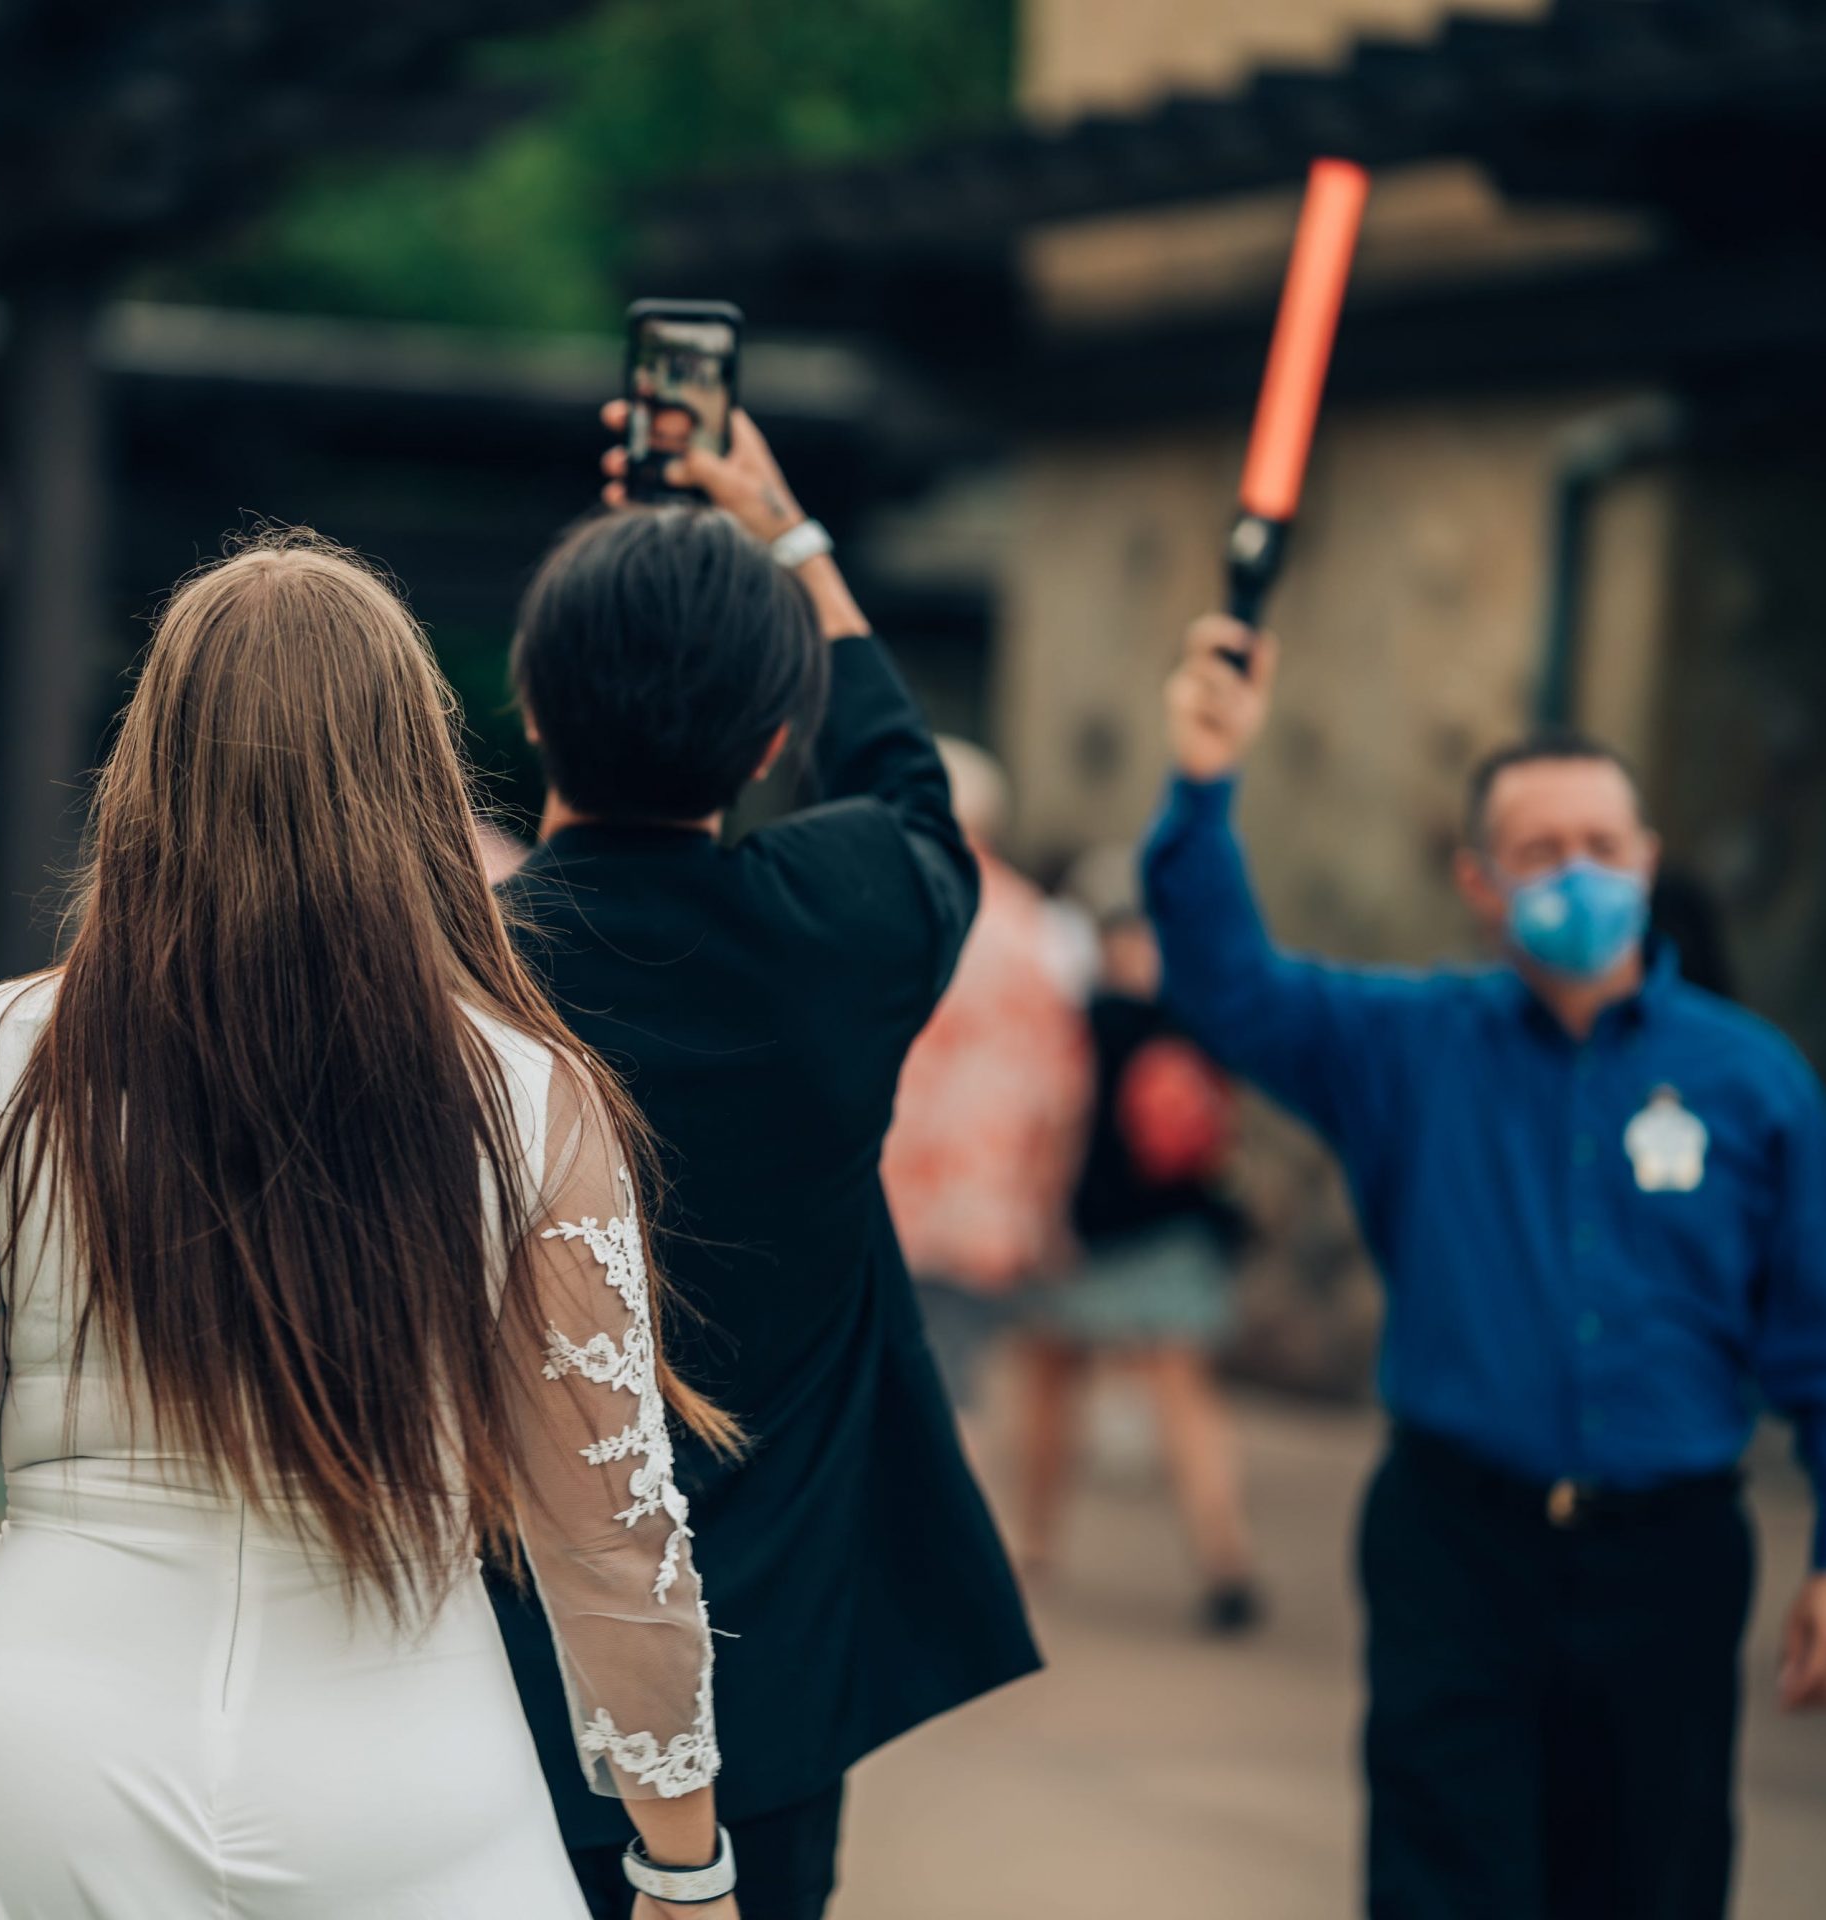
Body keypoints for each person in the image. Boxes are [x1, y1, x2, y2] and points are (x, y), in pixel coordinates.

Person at [0, 534, 738, 1920]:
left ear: (148, 765)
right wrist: (684, 1861)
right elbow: (610, 1531)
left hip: (36, 1752)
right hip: (400, 1781)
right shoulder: (536, 1099)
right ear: (418, 777)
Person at [1146, 613, 1826, 1920]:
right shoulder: (1405, 1045)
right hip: (1457, 1543)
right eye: (1538, 852)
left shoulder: (1756, 1084)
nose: (1574, 873)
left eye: (1600, 847)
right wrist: (1202, 782)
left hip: (1672, 1557)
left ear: (1647, 860)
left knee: (1653, 1878)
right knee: (1443, 1878)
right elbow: (1226, 982)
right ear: (1481, 882)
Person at [488, 404, 1040, 1920]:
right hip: (766, 1680)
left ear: (533, 708)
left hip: (479, 1668)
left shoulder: (460, 978)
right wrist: (791, 537)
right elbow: (917, 792)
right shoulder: (845, 923)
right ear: (774, 742)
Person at [1006, 849, 1262, 1634]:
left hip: (1087, 1229)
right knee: (1183, 1396)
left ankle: (1035, 1545)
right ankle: (1225, 1556)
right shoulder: (1205, 1017)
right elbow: (1224, 1134)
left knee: (1053, 1386)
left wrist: (1041, 1218)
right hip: (1175, 1231)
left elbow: (1053, 1124)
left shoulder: (1078, 1018)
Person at [880, 739, 1092, 1451]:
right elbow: (1066, 1088)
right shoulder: (1043, 932)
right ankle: (954, 1544)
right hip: (988, 1205)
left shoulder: (882, 911)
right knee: (960, 1378)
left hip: (882, 1196)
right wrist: (1048, 1201)